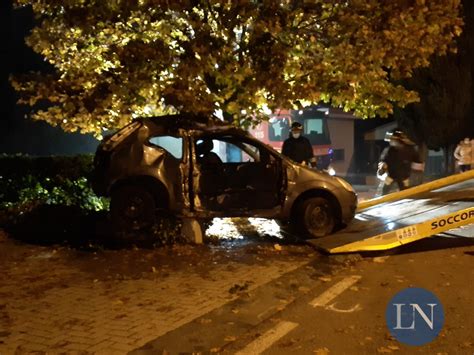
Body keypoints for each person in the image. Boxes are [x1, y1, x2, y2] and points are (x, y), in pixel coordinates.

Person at [377, 130, 423, 195]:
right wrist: (382, 167)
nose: (390, 142)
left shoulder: (409, 150)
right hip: (391, 175)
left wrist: (416, 175)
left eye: (392, 140)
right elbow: (383, 160)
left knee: (405, 194)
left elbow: (417, 162)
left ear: (397, 140)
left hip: (404, 176)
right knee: (384, 192)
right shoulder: (390, 150)